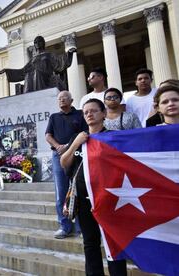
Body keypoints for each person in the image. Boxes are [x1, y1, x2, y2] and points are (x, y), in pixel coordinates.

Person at [60, 99, 127, 276]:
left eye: (94, 111)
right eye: (86, 112)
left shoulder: (113, 137)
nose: (89, 114)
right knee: (90, 242)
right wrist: (76, 144)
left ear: (103, 114)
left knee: (114, 242)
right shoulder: (78, 138)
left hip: (109, 199)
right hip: (83, 200)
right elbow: (64, 163)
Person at [45, 91, 87, 239]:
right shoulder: (54, 117)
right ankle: (64, 226)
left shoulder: (80, 114)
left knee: (79, 189)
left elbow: (85, 133)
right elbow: (48, 135)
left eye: (65, 98)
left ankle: (81, 227)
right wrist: (58, 147)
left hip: (77, 155)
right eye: (59, 99)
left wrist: (69, 146)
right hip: (58, 156)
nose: (62, 100)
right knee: (61, 192)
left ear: (71, 100)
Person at [0, 35, 76, 92]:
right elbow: (23, 71)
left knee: (37, 73)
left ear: (43, 43)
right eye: (35, 42)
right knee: (28, 74)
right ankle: (29, 95)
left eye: (39, 41)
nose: (37, 43)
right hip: (35, 79)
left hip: (47, 78)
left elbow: (59, 62)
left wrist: (69, 53)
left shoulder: (48, 55)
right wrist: (7, 71)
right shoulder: (33, 59)